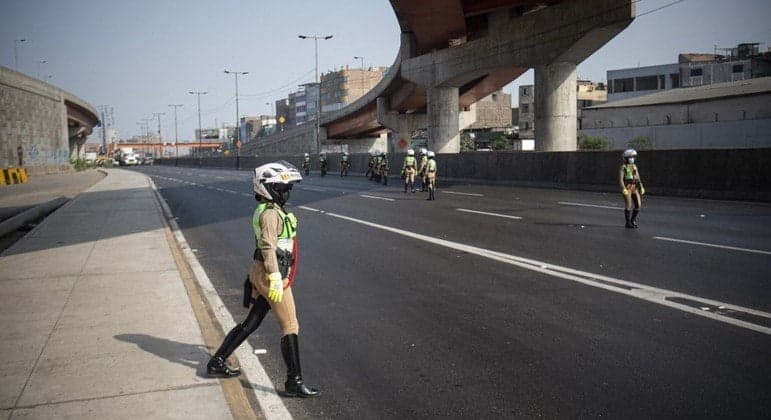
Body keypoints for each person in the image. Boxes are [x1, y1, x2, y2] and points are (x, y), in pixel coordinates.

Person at [207, 161, 320, 398]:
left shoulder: (272, 210)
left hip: (263, 272)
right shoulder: (269, 214)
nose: (287, 192)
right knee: (290, 325)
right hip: (271, 274)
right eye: (282, 188)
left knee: (251, 322)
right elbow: (269, 248)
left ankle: (217, 360)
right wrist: (276, 278)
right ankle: (294, 381)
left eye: (287, 187)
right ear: (268, 189)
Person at [619, 149, 645, 228]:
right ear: (626, 158)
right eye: (630, 157)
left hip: (635, 187)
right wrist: (623, 188)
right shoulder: (623, 167)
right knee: (629, 205)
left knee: (638, 205)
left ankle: (633, 220)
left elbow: (637, 176)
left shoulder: (634, 166)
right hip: (628, 187)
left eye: (633, 157)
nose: (632, 158)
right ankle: (628, 223)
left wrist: (641, 186)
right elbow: (620, 179)